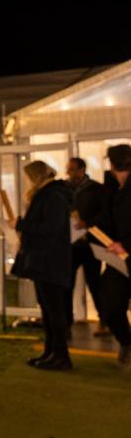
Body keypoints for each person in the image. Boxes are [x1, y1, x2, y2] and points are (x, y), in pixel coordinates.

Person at [9, 161, 74, 370]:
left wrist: (21, 224)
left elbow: (50, 228)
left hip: (50, 262)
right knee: (47, 310)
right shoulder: (50, 194)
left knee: (54, 311)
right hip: (45, 262)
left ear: (36, 176)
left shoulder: (53, 195)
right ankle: (51, 351)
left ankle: (61, 355)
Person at [95, 144, 131, 369]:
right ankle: (126, 341)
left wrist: (126, 244)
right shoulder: (111, 187)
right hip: (117, 260)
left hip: (126, 252)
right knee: (109, 305)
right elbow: (106, 218)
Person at [64, 157, 107, 334]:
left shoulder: (96, 189)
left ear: (82, 170)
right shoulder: (64, 189)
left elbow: (105, 214)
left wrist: (87, 223)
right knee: (67, 284)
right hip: (71, 245)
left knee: (94, 283)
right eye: (68, 169)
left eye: (72, 169)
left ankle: (104, 321)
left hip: (90, 244)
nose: (69, 173)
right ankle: (66, 323)